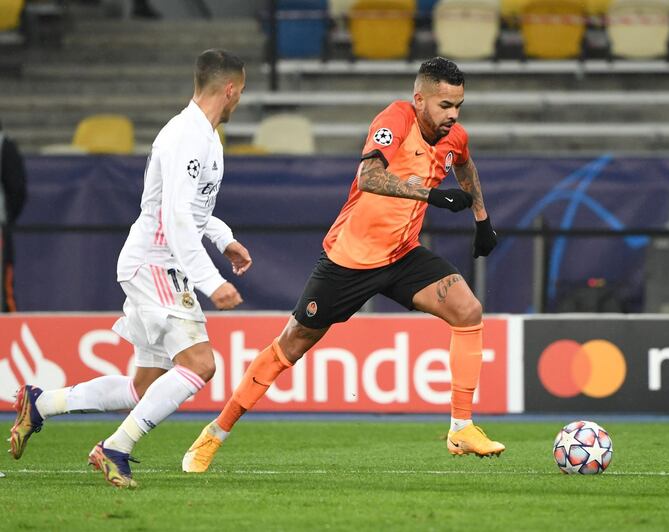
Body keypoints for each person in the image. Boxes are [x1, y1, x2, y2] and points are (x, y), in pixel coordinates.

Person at [181, 57, 503, 474]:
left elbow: (464, 164)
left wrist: (483, 220)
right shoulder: (396, 119)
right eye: (445, 106)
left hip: (402, 253)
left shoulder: (453, 135)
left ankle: (461, 426)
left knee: (468, 310)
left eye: (458, 106)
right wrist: (432, 197)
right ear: (419, 99)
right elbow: (370, 176)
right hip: (349, 260)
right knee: (290, 346)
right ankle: (214, 434)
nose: (453, 115)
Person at [8, 49, 252, 488]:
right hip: (156, 261)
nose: (239, 102)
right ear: (230, 89)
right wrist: (211, 281)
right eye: (241, 93)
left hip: (161, 262)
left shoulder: (207, 138)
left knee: (142, 387)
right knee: (201, 364)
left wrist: (223, 238)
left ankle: (39, 404)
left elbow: (193, 211)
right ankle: (115, 447)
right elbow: (174, 218)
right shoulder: (185, 137)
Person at [0, 121, 28, 312]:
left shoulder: (4, 146)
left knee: (3, 289)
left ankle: (6, 333)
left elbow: (16, 190)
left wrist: (5, 219)